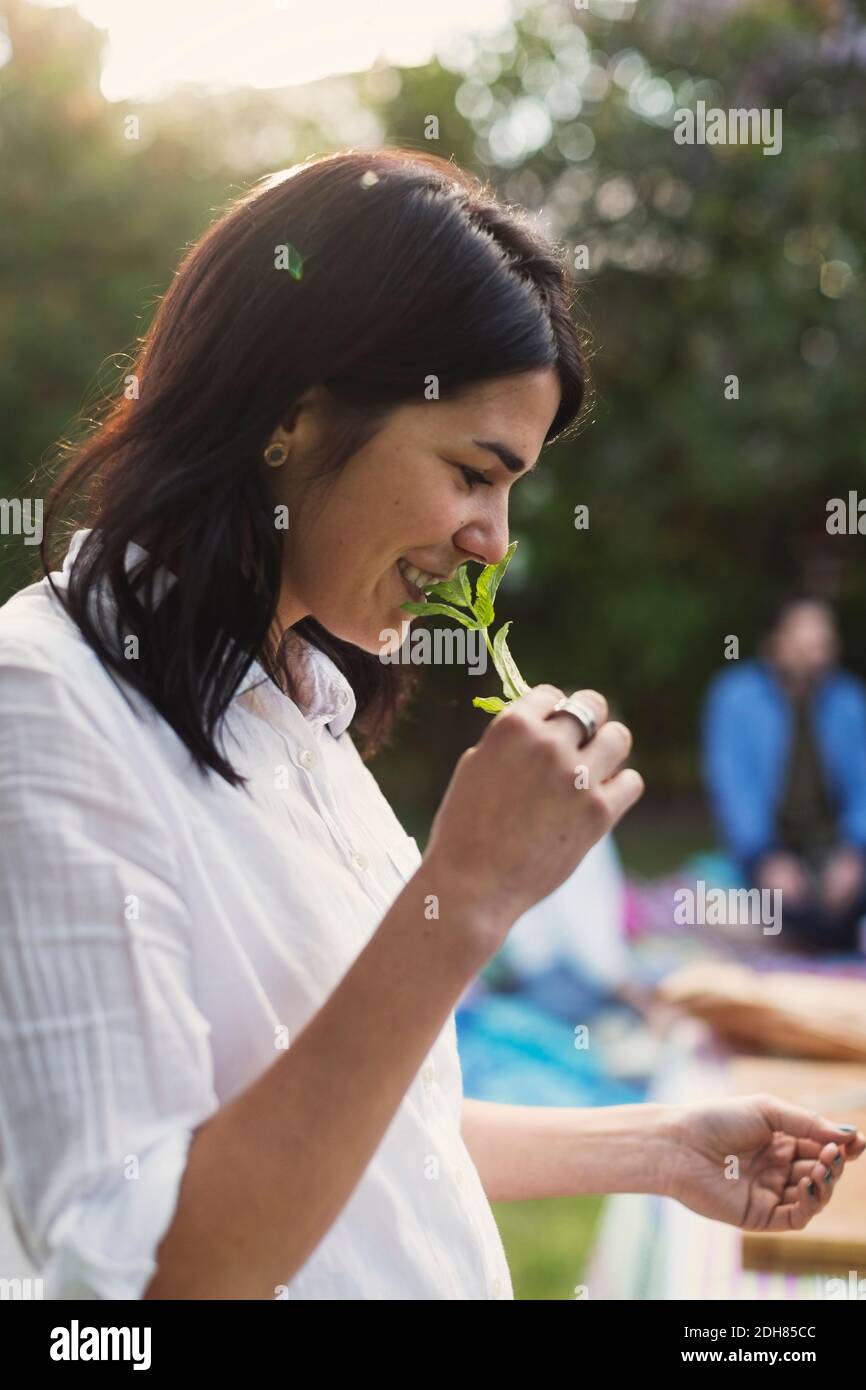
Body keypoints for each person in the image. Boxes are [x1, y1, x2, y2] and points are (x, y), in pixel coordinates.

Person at [0, 150, 861, 1302]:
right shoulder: (45, 707)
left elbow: (379, 1128)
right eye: (471, 471)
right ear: (294, 417)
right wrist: (465, 895)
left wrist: (654, 1147)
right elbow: (149, 1276)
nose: (492, 541)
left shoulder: (299, 711)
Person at [702, 595, 866, 952]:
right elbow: (732, 787)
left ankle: (801, 940)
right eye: (806, 642)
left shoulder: (849, 700)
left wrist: (855, 851)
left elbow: (862, 785)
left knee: (843, 903)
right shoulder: (735, 697)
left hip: (837, 851)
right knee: (785, 908)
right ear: (775, 643)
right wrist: (764, 856)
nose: (817, 654)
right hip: (773, 852)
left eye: (824, 643)